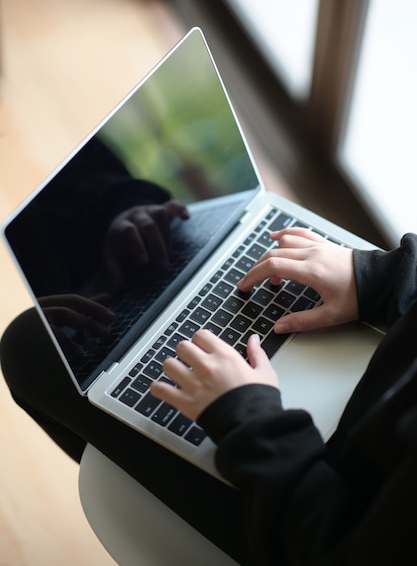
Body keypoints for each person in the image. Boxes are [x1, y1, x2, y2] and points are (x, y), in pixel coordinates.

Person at [2, 226, 417, 565]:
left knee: (33, 346)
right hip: (363, 420)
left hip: (306, 508)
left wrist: (249, 418)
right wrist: (385, 279)